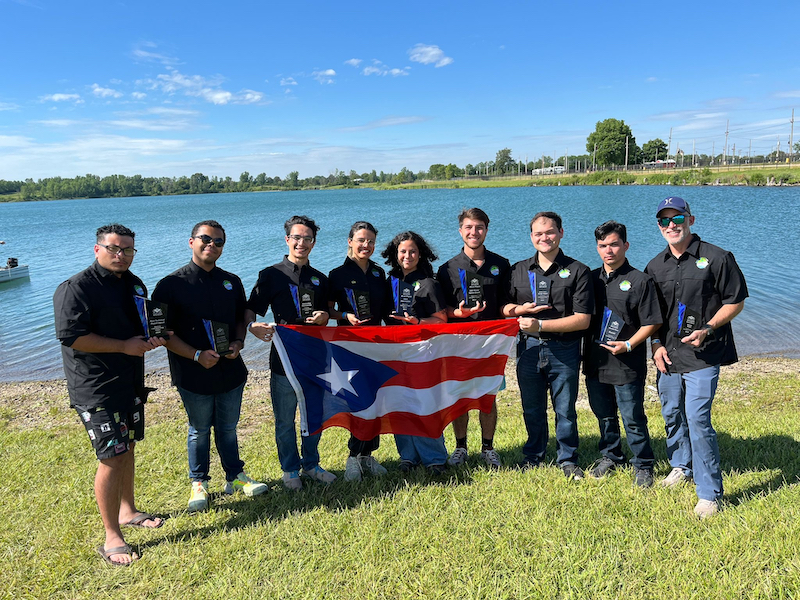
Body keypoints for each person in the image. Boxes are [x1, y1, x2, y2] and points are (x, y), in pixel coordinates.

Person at [53, 224, 166, 566]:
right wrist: (125, 346)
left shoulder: (133, 283)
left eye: (128, 250)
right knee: (111, 456)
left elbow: (141, 327)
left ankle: (128, 510)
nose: (121, 256)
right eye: (114, 249)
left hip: (129, 382)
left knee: (128, 446)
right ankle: (112, 536)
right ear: (97, 248)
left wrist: (155, 337)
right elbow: (72, 337)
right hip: (95, 387)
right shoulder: (75, 288)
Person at [152, 220, 267, 512]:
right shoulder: (169, 285)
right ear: (191, 241)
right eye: (205, 239)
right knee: (199, 430)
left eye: (218, 242)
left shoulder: (231, 281)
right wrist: (195, 355)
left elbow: (243, 317)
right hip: (193, 372)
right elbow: (162, 333)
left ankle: (235, 477)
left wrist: (239, 343)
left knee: (228, 428)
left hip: (230, 369)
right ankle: (199, 483)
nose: (211, 245)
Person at [645, 197, 747, 518]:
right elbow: (652, 315)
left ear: (691, 219)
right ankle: (680, 465)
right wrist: (656, 346)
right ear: (659, 226)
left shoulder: (717, 258)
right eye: (664, 221)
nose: (671, 225)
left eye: (677, 219)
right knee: (672, 412)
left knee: (698, 419)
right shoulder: (654, 266)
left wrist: (708, 327)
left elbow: (736, 301)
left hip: (704, 353)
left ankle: (709, 494)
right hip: (669, 355)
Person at [245, 215, 336, 491]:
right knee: (285, 419)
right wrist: (251, 327)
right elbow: (252, 309)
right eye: (297, 237)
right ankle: (289, 469)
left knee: (313, 416)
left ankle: (311, 464)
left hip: (313, 358)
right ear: (287, 240)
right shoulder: (270, 275)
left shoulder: (320, 279)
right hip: (283, 358)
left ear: (313, 243)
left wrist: (324, 316)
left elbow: (329, 312)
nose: (302, 243)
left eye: (307, 238)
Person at [501, 211, 593, 479]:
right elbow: (503, 307)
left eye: (550, 232)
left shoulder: (578, 271)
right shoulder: (517, 270)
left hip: (563, 350)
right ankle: (534, 455)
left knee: (565, 408)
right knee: (532, 407)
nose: (545, 238)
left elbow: (583, 320)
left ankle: (567, 459)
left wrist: (540, 325)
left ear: (561, 233)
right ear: (531, 237)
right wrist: (518, 309)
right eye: (538, 234)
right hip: (527, 349)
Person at [583, 221, 661, 487]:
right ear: (597, 248)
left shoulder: (640, 280)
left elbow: (652, 322)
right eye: (603, 246)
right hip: (595, 361)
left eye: (614, 244)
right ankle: (611, 455)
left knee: (632, 417)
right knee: (603, 414)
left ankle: (643, 464)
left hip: (627, 361)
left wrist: (628, 344)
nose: (609, 251)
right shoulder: (589, 279)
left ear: (626, 246)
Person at [436, 208, 511, 469]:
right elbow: (440, 311)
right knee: (460, 399)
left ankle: (488, 448)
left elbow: (505, 303)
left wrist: (518, 312)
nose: (474, 232)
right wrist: (459, 312)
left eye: (479, 227)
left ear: (486, 230)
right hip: (459, 343)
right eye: (468, 227)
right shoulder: (446, 269)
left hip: (492, 344)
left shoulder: (501, 264)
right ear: (460, 230)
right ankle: (460, 447)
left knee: (488, 398)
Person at [328, 221, 391, 482]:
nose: (366, 245)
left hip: (375, 344)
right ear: (350, 241)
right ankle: (353, 457)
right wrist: (345, 315)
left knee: (374, 400)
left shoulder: (379, 273)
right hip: (349, 346)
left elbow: (388, 311)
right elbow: (328, 311)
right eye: (361, 240)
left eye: (371, 242)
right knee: (357, 402)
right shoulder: (336, 275)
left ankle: (368, 455)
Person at [381, 231, 449, 474]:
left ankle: (435, 458)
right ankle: (408, 456)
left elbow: (441, 320)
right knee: (399, 403)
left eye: (412, 251)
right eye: (403, 251)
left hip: (423, 352)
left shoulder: (429, 283)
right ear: (395, 254)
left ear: (421, 255)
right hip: (394, 351)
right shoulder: (389, 281)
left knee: (424, 404)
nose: (407, 255)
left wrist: (418, 322)